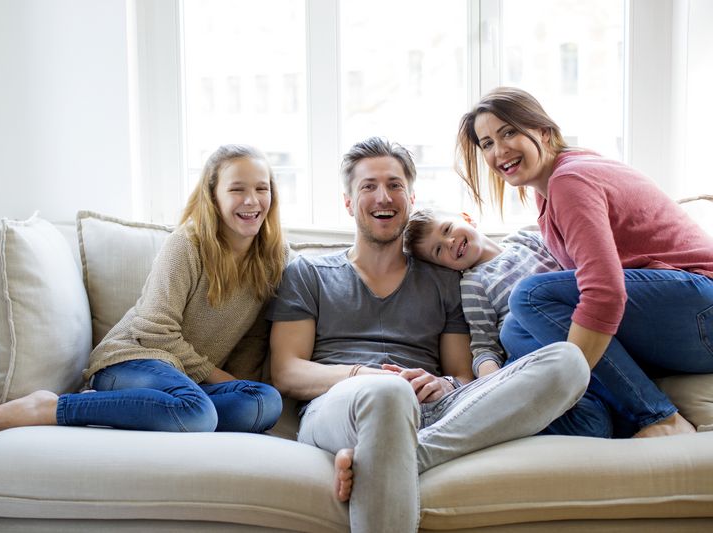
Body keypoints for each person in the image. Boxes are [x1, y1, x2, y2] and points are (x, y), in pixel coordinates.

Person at [268, 136, 590, 533]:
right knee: (388, 393)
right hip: (340, 406)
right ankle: (387, 444)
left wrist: (444, 383)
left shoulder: (444, 279)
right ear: (349, 202)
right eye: (368, 186)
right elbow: (287, 371)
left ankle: (397, 457)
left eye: (394, 185)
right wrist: (363, 377)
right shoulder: (309, 273)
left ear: (411, 197)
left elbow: (464, 376)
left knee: (567, 361)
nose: (383, 196)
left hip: (434, 412)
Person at [0, 144, 285, 440]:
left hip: (184, 382)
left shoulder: (272, 259)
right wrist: (218, 378)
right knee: (198, 412)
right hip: (130, 360)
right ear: (213, 196)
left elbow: (254, 341)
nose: (252, 200)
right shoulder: (187, 244)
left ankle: (158, 410)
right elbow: (153, 331)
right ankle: (54, 406)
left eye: (261, 188)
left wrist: (238, 386)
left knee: (265, 402)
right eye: (237, 189)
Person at [455, 86, 713, 439]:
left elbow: (604, 292)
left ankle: (658, 418)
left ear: (543, 131)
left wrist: (565, 373)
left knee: (529, 297)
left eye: (509, 132)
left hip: (702, 307)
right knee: (514, 328)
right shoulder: (547, 194)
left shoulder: (569, 180)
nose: (499, 151)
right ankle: (596, 414)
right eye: (486, 143)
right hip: (677, 321)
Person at [403, 209, 619, 437]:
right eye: (438, 250)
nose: (449, 242)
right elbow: (484, 347)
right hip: (536, 357)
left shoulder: (526, 239)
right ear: (443, 267)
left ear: (467, 218)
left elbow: (575, 274)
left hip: (578, 334)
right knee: (597, 425)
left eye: (447, 229)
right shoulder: (473, 284)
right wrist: (495, 384)